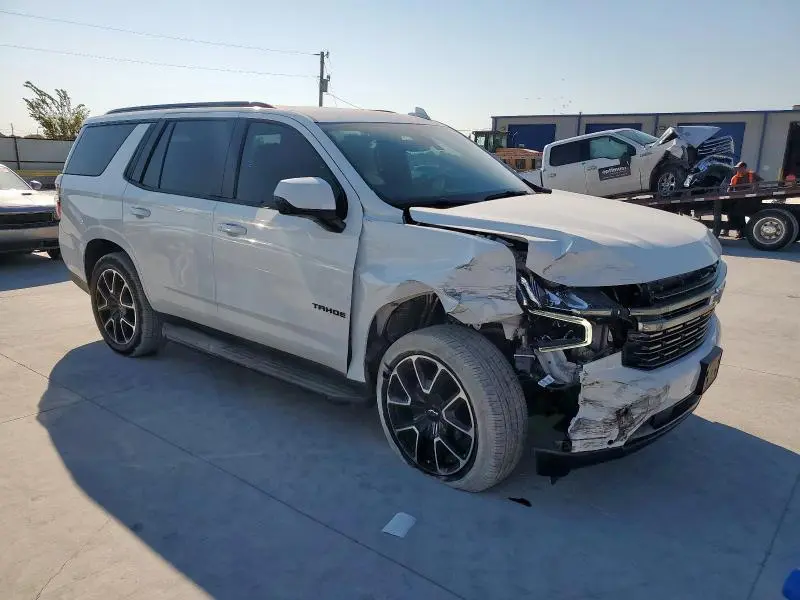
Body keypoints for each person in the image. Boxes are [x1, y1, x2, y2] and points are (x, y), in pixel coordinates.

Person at [722, 161, 762, 238]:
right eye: (737, 169)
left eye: (739, 168)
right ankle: (732, 230)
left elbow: (759, 182)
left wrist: (753, 189)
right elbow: (730, 189)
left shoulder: (751, 175)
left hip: (750, 199)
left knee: (739, 214)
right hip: (738, 199)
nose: (738, 170)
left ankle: (740, 232)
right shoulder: (735, 177)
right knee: (731, 213)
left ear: (744, 168)